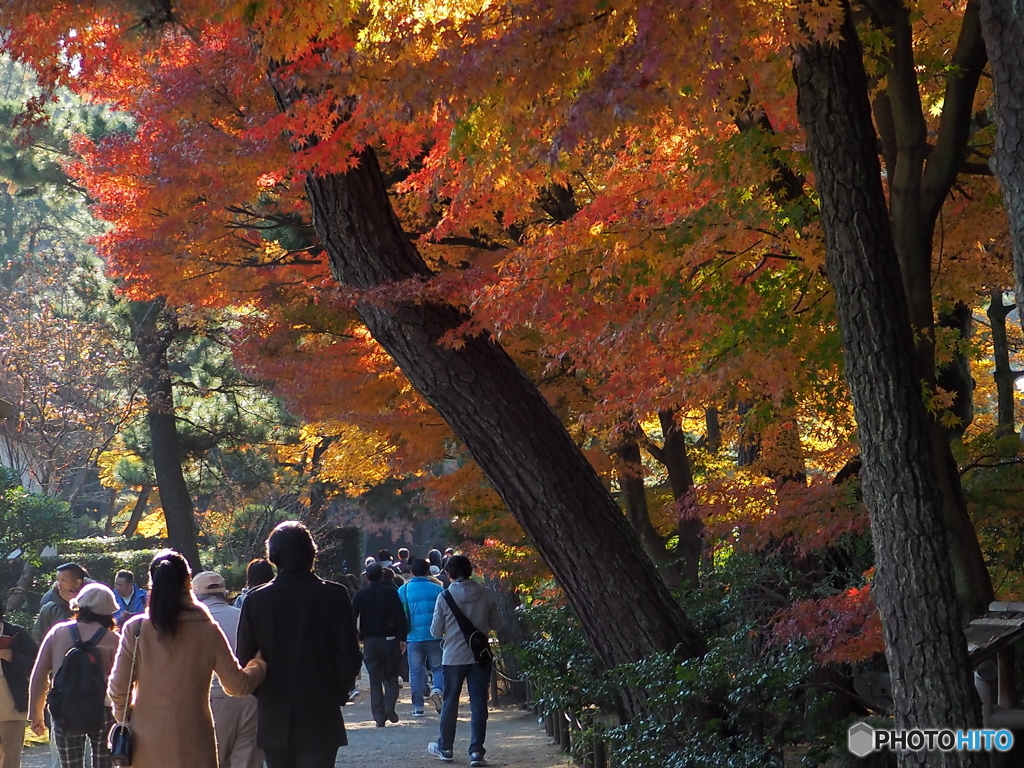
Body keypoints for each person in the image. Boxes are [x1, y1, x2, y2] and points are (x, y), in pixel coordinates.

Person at [107, 550, 265, 768]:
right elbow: (237, 686)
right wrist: (259, 664)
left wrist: (130, 720)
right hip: (195, 739)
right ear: (188, 581)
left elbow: (118, 689)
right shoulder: (206, 629)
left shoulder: (136, 629)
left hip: (145, 741)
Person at [237, 521, 362, 768]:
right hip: (321, 707)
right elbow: (349, 655)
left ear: (273, 557)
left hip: (274, 709)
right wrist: (337, 692)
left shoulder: (256, 600)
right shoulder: (335, 595)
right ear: (311, 553)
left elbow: (245, 660)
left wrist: (265, 694)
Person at [29, 584, 120, 768]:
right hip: (103, 710)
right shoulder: (114, 640)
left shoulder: (58, 632)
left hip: (65, 707)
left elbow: (39, 674)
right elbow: (121, 681)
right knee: (104, 763)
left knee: (70, 765)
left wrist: (36, 713)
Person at [428, 555, 500, 767]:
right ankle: (476, 751)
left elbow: (435, 631)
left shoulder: (445, 597)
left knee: (450, 701)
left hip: (452, 656)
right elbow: (497, 623)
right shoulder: (486, 594)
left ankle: (446, 747)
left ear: (449, 573)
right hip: (479, 657)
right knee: (478, 704)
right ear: (469, 571)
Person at [193, 571, 263, 768]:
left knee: (213, 759)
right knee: (247, 759)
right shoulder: (244, 617)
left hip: (213, 696)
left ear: (196, 596)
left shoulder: (195, 624)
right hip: (251, 694)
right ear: (225, 594)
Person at [351, 563, 408, 728]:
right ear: (382, 575)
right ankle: (389, 705)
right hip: (390, 639)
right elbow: (400, 616)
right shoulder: (391, 592)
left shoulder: (361, 595)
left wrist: (356, 635)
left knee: (375, 679)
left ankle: (378, 716)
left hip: (370, 641)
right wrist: (402, 638)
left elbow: (351, 616)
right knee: (391, 676)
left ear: (366, 577)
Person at [398, 558, 444, 717]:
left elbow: (400, 615)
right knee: (438, 667)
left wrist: (401, 637)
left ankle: (418, 707)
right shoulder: (438, 589)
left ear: (411, 572)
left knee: (416, 671)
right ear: (428, 571)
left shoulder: (403, 590)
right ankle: (438, 689)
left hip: (413, 636)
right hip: (435, 635)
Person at [0, 604, 37, 768]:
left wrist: (13, 657)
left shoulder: (17, 633)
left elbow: (37, 665)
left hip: (12, 705)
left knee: (11, 756)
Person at [33, 564, 89, 644]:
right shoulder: (50, 608)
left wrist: (78, 603)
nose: (59, 585)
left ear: (78, 582)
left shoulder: (94, 605)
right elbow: (38, 640)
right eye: (58, 580)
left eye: (64, 580)